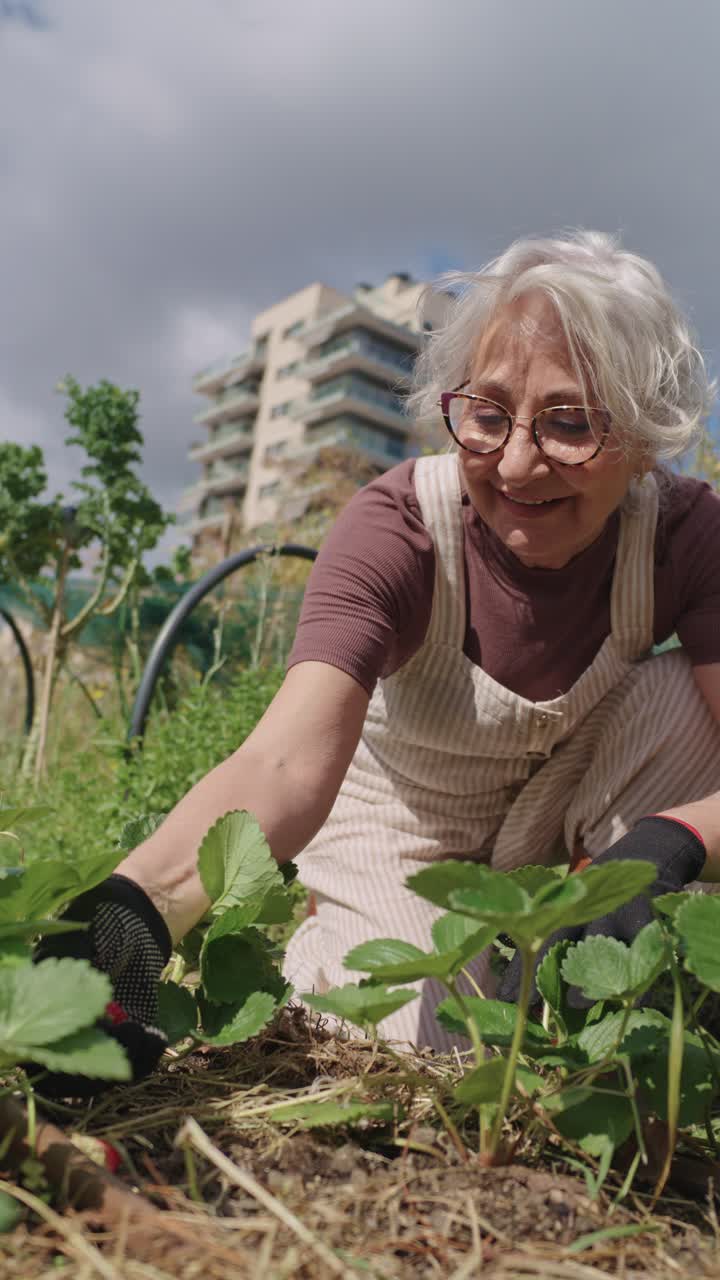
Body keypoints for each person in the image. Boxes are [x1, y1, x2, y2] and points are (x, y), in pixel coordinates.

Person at [39, 230, 720, 1084]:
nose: (514, 461)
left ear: (648, 438)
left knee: (688, 702)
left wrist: (674, 838)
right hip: (402, 825)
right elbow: (284, 763)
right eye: (488, 412)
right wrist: (134, 916)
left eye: (570, 423)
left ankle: (578, 954)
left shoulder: (688, 534)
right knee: (399, 1055)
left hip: (565, 815)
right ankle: (346, 948)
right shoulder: (397, 527)